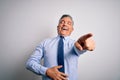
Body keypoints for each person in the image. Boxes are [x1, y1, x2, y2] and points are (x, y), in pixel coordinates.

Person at [26, 14, 95, 80]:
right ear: (58, 27)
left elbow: (78, 49)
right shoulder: (45, 43)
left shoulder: (75, 44)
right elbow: (30, 63)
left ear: (72, 29)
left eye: (69, 23)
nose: (65, 24)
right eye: (62, 22)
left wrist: (83, 45)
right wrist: (46, 71)